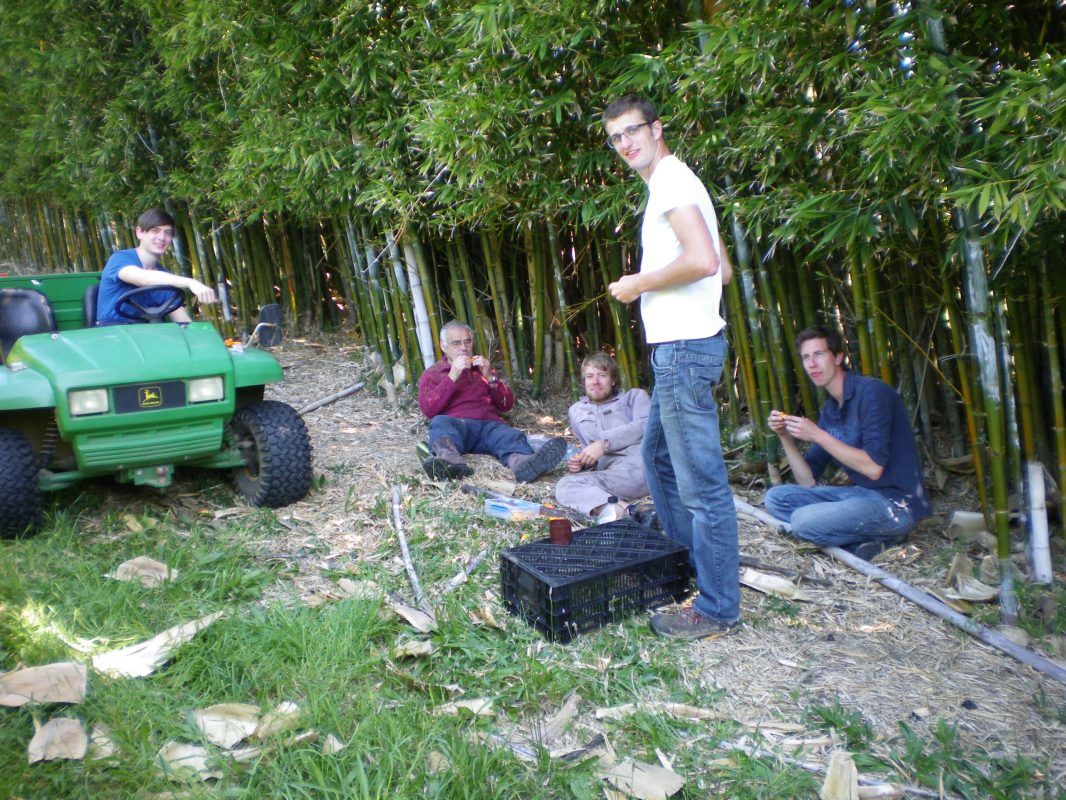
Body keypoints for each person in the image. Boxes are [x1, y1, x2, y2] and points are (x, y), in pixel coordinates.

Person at [603, 95, 739, 641]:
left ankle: (717, 606)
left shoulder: (671, 183)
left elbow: (705, 263)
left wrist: (638, 284)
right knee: (656, 457)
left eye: (634, 131)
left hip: (684, 351)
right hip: (684, 349)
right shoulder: (681, 181)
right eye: (616, 137)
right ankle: (688, 564)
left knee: (703, 486)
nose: (626, 143)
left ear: (657, 129)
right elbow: (724, 270)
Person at [765, 326, 932, 559]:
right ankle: (862, 539)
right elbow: (807, 480)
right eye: (806, 357)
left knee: (802, 521)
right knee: (777, 498)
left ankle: (885, 537)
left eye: (819, 354)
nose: (811, 363)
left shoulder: (872, 394)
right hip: (860, 495)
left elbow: (873, 468)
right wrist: (785, 437)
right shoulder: (831, 410)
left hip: (896, 504)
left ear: (838, 357)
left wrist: (818, 435)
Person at [418, 319, 567, 482]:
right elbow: (429, 410)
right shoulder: (433, 373)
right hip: (457, 426)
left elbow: (506, 404)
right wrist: (452, 375)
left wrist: (490, 376)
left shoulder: (482, 370)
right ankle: (449, 462)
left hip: (488, 425)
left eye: (467, 342)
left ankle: (523, 463)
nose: (463, 348)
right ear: (443, 346)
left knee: (508, 435)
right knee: (440, 424)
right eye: (456, 343)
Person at [556, 353, 650, 521]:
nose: (595, 381)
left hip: (640, 468)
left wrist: (603, 444)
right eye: (590, 376)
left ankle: (619, 511)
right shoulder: (577, 411)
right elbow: (592, 453)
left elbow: (647, 425)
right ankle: (629, 511)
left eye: (602, 375)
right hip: (611, 476)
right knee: (565, 486)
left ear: (613, 380)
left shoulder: (634, 397)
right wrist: (583, 463)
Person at [95, 208, 217, 324]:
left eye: (167, 233)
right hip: (111, 332)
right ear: (139, 232)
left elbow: (183, 321)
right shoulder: (120, 259)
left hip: (148, 335)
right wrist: (192, 282)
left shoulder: (163, 277)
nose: (162, 238)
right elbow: (143, 278)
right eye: (155, 231)